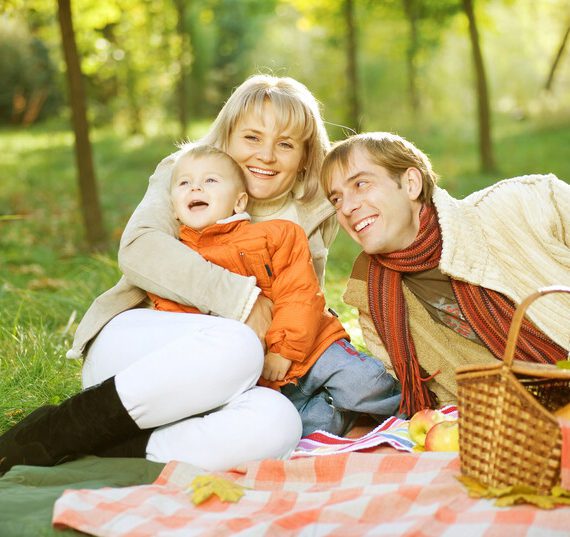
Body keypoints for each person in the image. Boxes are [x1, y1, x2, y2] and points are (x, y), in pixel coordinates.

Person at [0, 74, 338, 475]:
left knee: (280, 423)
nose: (265, 155)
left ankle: (121, 446)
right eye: (252, 138)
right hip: (137, 353)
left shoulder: (312, 211)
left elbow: (301, 302)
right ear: (227, 137)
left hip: (228, 383)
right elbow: (140, 249)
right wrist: (242, 301)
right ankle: (55, 431)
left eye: (285, 144)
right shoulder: (187, 173)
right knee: (240, 344)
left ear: (304, 156)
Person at [147, 144, 401, 436]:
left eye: (210, 181)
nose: (195, 188)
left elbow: (299, 293)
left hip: (313, 346)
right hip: (263, 378)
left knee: (365, 384)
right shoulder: (176, 258)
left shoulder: (276, 235)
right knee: (304, 425)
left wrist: (284, 350)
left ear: (239, 201)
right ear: (173, 206)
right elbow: (178, 320)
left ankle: (412, 411)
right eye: (184, 183)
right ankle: (349, 421)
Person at [320, 131, 570, 417]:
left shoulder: (527, 203)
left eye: (361, 184)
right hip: (520, 431)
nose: (348, 207)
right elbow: (440, 405)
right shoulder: (374, 299)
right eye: (337, 199)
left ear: (411, 183)